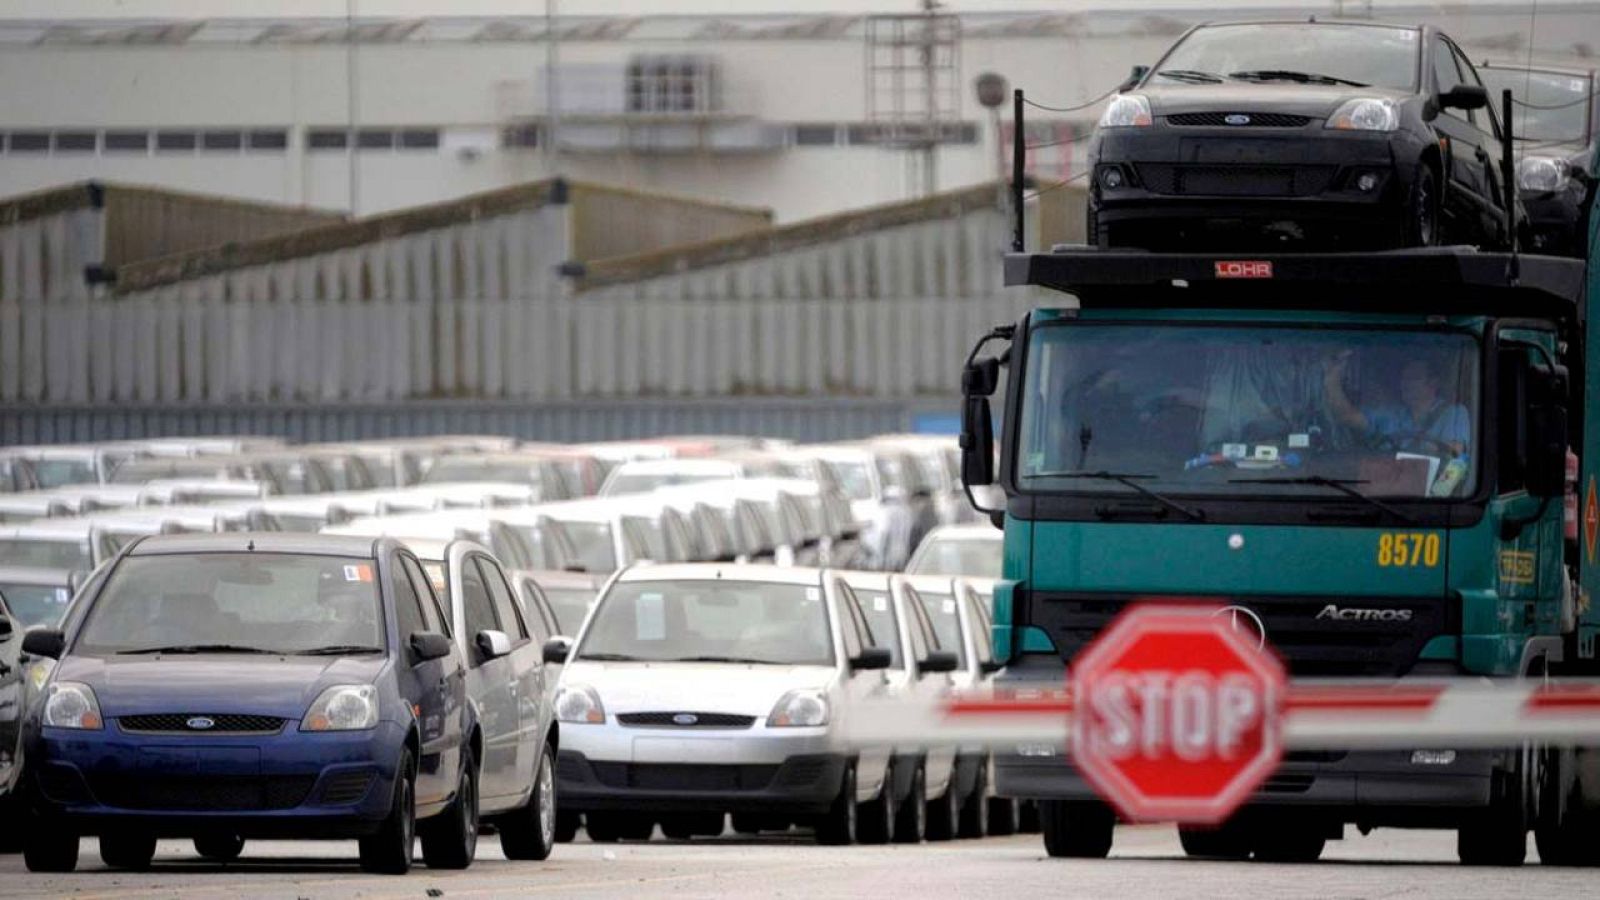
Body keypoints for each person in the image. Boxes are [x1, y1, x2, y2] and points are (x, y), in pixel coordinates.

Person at [1323, 353, 1470, 455]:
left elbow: (1456, 454)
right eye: (1404, 378)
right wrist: (1332, 379)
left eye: (1413, 378)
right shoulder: (1391, 414)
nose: (1405, 383)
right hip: (1386, 491)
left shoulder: (1453, 413)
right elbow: (1347, 417)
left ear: (1433, 383)